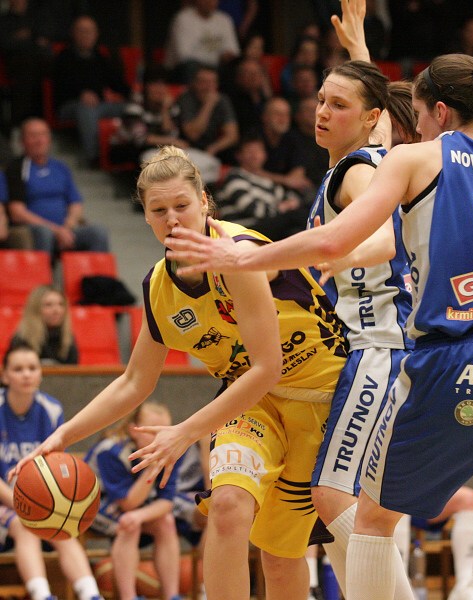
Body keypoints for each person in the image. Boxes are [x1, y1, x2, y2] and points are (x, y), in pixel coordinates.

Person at [161, 49, 473, 600]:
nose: (410, 126)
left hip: (455, 363)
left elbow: (333, 239)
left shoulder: (413, 162)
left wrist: (239, 256)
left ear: (439, 112)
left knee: (368, 518)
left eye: (416, 114)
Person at [11, 145, 347, 600]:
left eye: (181, 206)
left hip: (319, 396)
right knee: (226, 506)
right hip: (252, 402)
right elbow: (135, 381)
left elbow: (267, 367)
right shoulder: (158, 287)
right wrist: (64, 435)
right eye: (159, 210)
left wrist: (185, 432)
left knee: (280, 556)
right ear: (146, 217)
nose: (172, 219)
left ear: (204, 202)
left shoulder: (237, 255)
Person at [0, 342, 102, 600]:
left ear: (40, 373)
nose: (26, 374)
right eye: (18, 369)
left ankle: (91, 594)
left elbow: (56, 465)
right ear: (5, 375)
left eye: (32, 368)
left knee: (60, 523)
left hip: (32, 495)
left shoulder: (51, 409)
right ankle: (41, 595)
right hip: (6, 499)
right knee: (25, 523)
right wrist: (20, 502)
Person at [84, 400, 182, 600]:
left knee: (166, 522)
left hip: (130, 506)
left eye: (164, 431)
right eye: (152, 431)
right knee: (130, 524)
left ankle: (172, 595)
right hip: (92, 505)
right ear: (133, 430)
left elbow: (167, 502)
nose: (159, 438)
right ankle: (129, 597)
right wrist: (152, 465)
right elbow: (128, 503)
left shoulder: (169, 451)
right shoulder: (110, 451)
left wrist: (140, 515)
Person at [5, 117, 110, 257]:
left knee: (97, 233)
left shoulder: (60, 168)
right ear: (22, 141)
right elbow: (17, 213)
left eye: (43, 135)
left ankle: (96, 272)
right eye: (33, 135)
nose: (39, 140)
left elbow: (76, 203)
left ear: (49, 139)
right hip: (35, 230)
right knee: (44, 233)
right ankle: (42, 271)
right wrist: (56, 230)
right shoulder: (16, 169)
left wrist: (67, 227)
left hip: (64, 228)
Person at [52, 15, 130, 166]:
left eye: (90, 31)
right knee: (86, 109)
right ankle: (94, 157)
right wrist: (80, 94)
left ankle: (127, 154)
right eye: (82, 31)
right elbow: (61, 85)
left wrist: (134, 96)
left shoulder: (100, 57)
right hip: (70, 105)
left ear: (96, 34)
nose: (86, 35)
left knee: (131, 108)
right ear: (73, 33)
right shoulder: (63, 57)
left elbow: (117, 83)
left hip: (100, 105)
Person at [216, 134, 305, 240]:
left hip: (266, 226)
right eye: (250, 151)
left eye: (258, 151)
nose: (255, 155)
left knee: (296, 230)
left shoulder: (267, 182)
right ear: (239, 155)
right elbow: (254, 209)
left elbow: (291, 198)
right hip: (243, 230)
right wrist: (281, 208)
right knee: (295, 217)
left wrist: (289, 205)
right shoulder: (234, 177)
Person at [174, 64, 239, 183]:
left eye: (212, 82)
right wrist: (208, 105)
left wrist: (214, 148)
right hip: (186, 148)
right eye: (203, 82)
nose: (208, 87)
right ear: (195, 84)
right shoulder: (186, 99)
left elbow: (232, 135)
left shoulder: (222, 100)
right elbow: (193, 134)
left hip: (211, 149)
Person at [164, 0, 240, 84]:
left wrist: (227, 56)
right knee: (191, 66)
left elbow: (233, 51)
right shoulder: (183, 19)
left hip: (217, 67)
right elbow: (184, 56)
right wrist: (218, 57)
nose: (209, 2)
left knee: (237, 67)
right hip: (183, 69)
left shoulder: (225, 20)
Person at [11, 285, 78, 365]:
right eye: (48, 305)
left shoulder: (68, 338)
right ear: (35, 309)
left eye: (61, 304)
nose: (56, 310)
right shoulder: (22, 338)